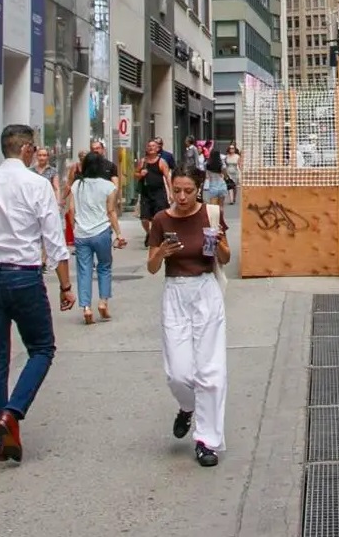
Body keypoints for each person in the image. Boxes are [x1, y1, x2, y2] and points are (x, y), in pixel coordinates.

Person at [0, 123, 74, 464]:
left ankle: (0, 437)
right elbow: (55, 243)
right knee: (42, 348)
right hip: (24, 276)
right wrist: (66, 286)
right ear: (25, 150)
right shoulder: (37, 185)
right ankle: (13, 411)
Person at [148, 170, 232, 467]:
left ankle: (206, 441)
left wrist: (220, 242)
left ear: (199, 189)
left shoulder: (211, 214)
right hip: (175, 293)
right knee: (178, 372)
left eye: (188, 191)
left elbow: (224, 258)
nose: (182, 197)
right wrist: (161, 251)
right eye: (177, 190)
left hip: (205, 290)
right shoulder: (161, 220)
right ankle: (187, 406)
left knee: (210, 371)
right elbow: (152, 267)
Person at [69, 151, 128, 324]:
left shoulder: (76, 186)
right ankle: (103, 302)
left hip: (81, 233)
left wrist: (75, 228)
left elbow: (71, 210)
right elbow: (111, 211)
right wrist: (119, 234)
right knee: (104, 267)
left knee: (84, 270)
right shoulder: (109, 186)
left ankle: (86, 307)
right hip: (101, 231)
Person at [136, 137, 173, 244]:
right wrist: (140, 174)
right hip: (145, 193)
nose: (151, 148)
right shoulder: (143, 161)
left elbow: (167, 177)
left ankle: (158, 235)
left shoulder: (162, 162)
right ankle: (149, 232)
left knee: (160, 215)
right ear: (146, 149)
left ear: (157, 149)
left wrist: (171, 193)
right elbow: (135, 174)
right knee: (144, 218)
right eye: (149, 146)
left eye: (153, 146)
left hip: (159, 192)